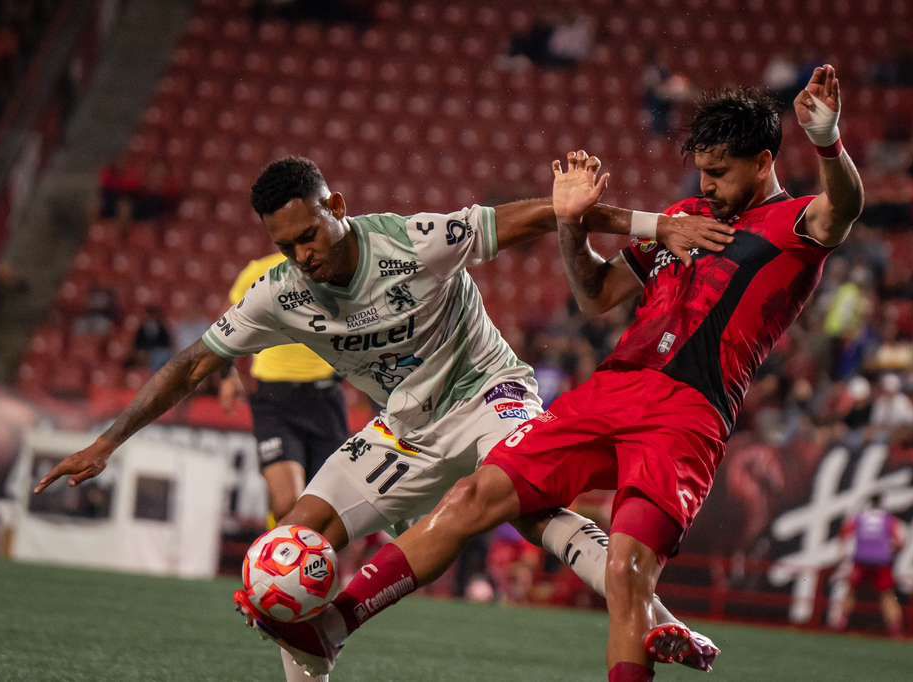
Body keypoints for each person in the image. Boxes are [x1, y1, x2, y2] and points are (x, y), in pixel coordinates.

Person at [261, 66, 864, 681]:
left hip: (687, 414)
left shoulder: (795, 227)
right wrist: (573, 226)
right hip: (610, 390)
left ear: (764, 161)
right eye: (701, 172)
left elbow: (843, 207)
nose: (705, 187)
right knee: (473, 495)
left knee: (627, 574)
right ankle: (331, 625)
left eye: (719, 173)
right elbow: (598, 294)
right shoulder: (683, 215)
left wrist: (828, 143)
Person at [34, 157, 731, 680]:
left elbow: (542, 212)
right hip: (404, 427)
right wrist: (108, 441)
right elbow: (192, 364)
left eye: (310, 234)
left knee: (533, 512)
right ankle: (317, 656)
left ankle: (656, 620)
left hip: (490, 395)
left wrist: (654, 225)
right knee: (286, 555)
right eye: (288, 248)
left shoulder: (415, 240)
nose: (304, 256)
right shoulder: (278, 295)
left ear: (336, 205)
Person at [218, 252, 348, 525]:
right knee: (287, 501)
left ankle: (305, 563)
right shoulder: (259, 271)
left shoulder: (335, 270)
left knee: (326, 509)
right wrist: (231, 374)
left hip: (326, 399)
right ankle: (274, 563)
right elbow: (229, 326)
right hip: (274, 398)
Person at [835, 494, 906, 636]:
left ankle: (841, 624)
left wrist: (842, 552)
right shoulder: (889, 520)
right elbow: (900, 542)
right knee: (887, 595)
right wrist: (891, 552)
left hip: (861, 560)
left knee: (851, 592)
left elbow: (844, 533)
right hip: (882, 562)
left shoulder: (860, 518)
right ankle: (896, 629)